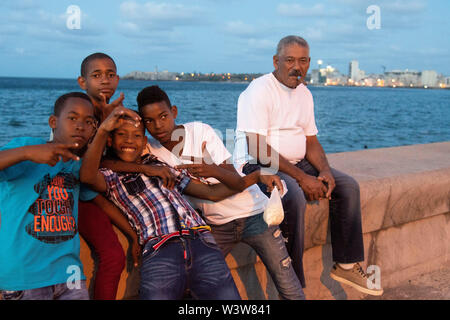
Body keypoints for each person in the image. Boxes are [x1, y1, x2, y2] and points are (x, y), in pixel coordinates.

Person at [117, 85, 304, 300]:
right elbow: (111, 160)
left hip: (255, 214)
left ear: (174, 112)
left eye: (163, 116)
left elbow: (235, 179)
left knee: (288, 286)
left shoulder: (199, 131)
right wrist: (145, 168)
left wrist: (210, 169)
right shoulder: (150, 149)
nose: (158, 125)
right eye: (149, 121)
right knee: (194, 286)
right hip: (216, 225)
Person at [79, 106, 280, 300]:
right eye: (122, 134)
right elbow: (86, 175)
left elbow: (212, 193)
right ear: (110, 140)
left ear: (144, 142)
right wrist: (104, 128)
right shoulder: (109, 175)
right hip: (160, 248)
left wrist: (255, 177)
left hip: (202, 241)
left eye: (137, 135)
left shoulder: (160, 165)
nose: (130, 140)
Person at [234, 35, 383, 296]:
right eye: (289, 60)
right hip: (258, 164)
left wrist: (324, 170)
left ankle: (346, 264)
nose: (296, 67)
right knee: (292, 196)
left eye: (302, 61)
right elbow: (258, 147)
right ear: (276, 61)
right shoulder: (258, 91)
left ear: (309, 63)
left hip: (295, 162)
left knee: (347, 186)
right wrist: (302, 178)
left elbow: (311, 141)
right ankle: (293, 284)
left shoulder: (304, 93)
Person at [0, 92, 99, 299]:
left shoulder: (77, 164)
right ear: (53, 122)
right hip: (25, 276)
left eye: (88, 121)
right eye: (72, 118)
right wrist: (26, 152)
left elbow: (95, 192)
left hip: (70, 273)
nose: (80, 126)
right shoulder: (27, 146)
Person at [75, 52, 129, 300]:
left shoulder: (120, 114)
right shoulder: (75, 113)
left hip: (105, 187)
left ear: (117, 79)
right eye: (96, 75)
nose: (104, 80)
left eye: (109, 75)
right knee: (112, 255)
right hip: (80, 193)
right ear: (82, 82)